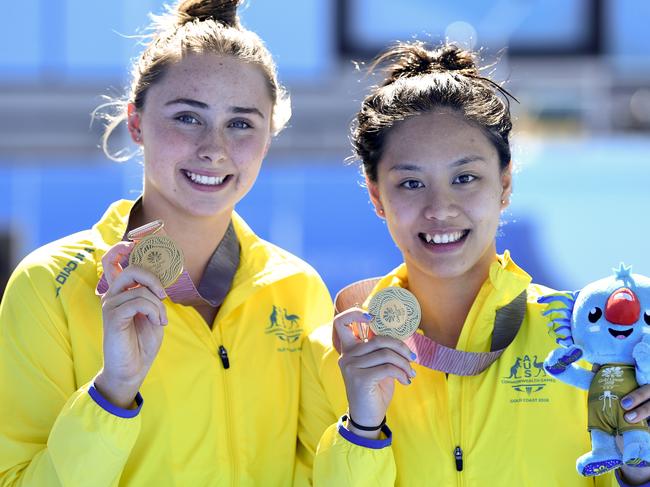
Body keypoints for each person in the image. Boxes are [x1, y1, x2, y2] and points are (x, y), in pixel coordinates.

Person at [0, 1, 332, 485]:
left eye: (241, 123)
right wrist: (112, 393)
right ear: (136, 122)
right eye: (187, 118)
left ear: (268, 136)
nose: (213, 148)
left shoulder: (297, 289)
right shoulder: (49, 283)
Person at [297, 41, 650, 486]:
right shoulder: (330, 355)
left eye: (465, 178)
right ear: (375, 196)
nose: (440, 208)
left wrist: (641, 468)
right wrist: (362, 428)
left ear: (504, 184)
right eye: (410, 183)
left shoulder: (584, 339)